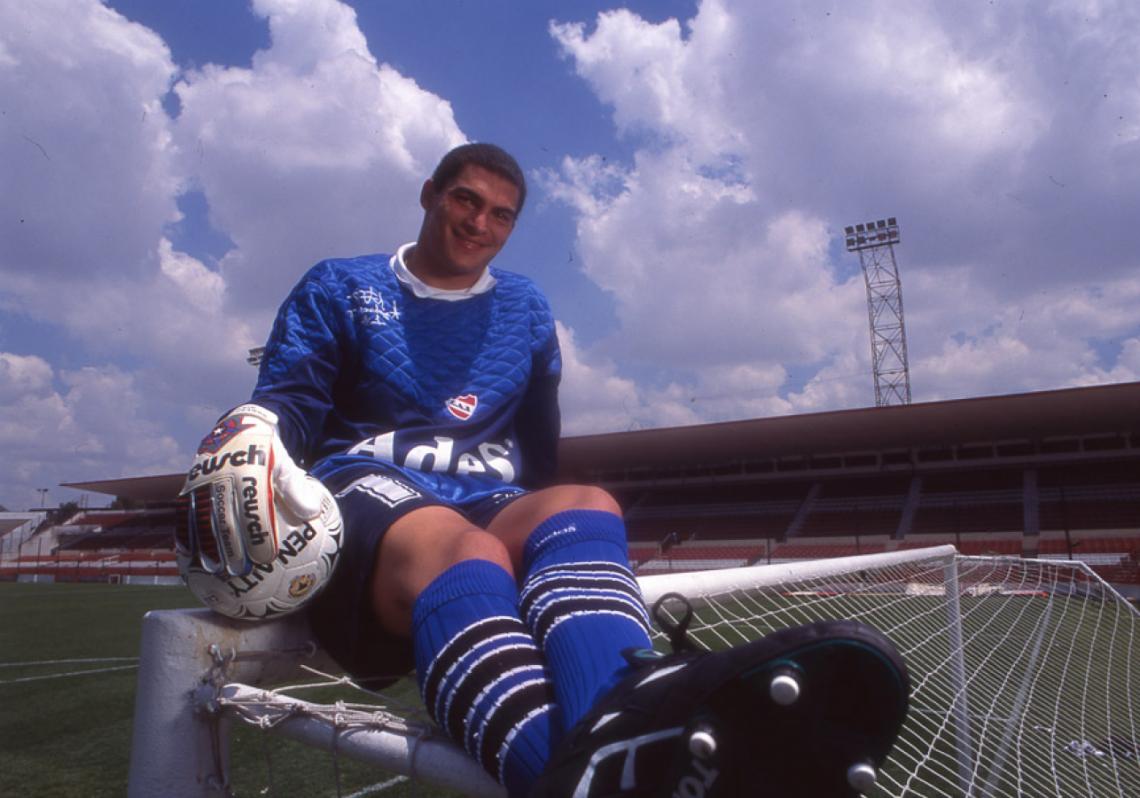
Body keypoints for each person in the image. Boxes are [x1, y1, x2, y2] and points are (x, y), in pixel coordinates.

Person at [185, 143, 910, 797]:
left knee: (587, 502)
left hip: (485, 492)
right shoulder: (342, 286)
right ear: (429, 193)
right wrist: (258, 430)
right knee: (466, 549)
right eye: (465, 199)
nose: (479, 223)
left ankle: (624, 739)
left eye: (501, 215)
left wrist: (535, 532)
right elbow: (289, 405)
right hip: (367, 489)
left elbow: (538, 443)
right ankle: (597, 769)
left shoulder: (526, 306)